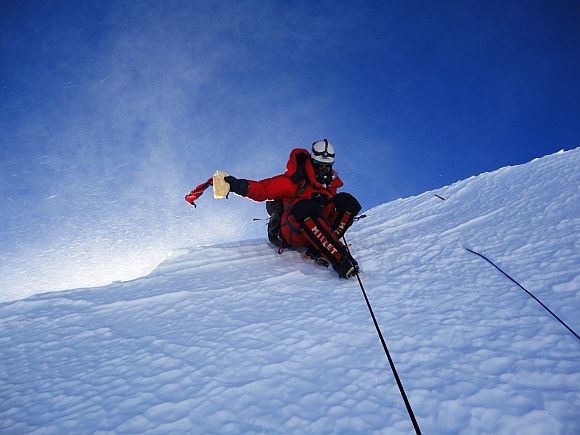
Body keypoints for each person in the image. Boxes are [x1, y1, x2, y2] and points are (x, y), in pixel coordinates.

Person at [224, 139, 362, 278]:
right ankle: (340, 259)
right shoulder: (295, 181)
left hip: (317, 230)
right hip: (293, 231)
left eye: (327, 166)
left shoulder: (330, 185)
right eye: (319, 165)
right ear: (312, 161)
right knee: (305, 206)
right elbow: (264, 189)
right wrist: (236, 185)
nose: (324, 170)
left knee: (348, 202)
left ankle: (322, 248)